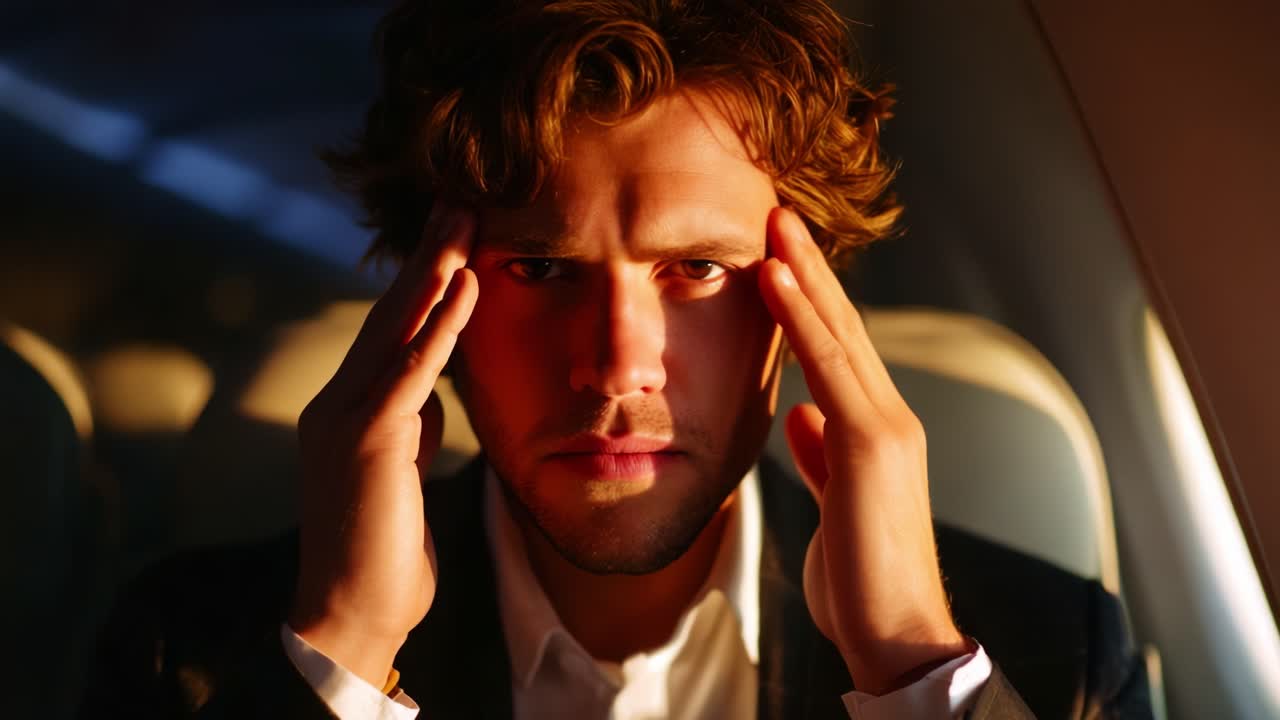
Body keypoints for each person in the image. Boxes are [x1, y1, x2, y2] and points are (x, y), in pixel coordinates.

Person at [79, 1, 1153, 718]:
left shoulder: (1050, 660)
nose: (614, 366)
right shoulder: (190, 655)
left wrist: (913, 668)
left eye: (697, 269)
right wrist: (342, 660)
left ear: (801, 307)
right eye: (541, 271)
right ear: (425, 306)